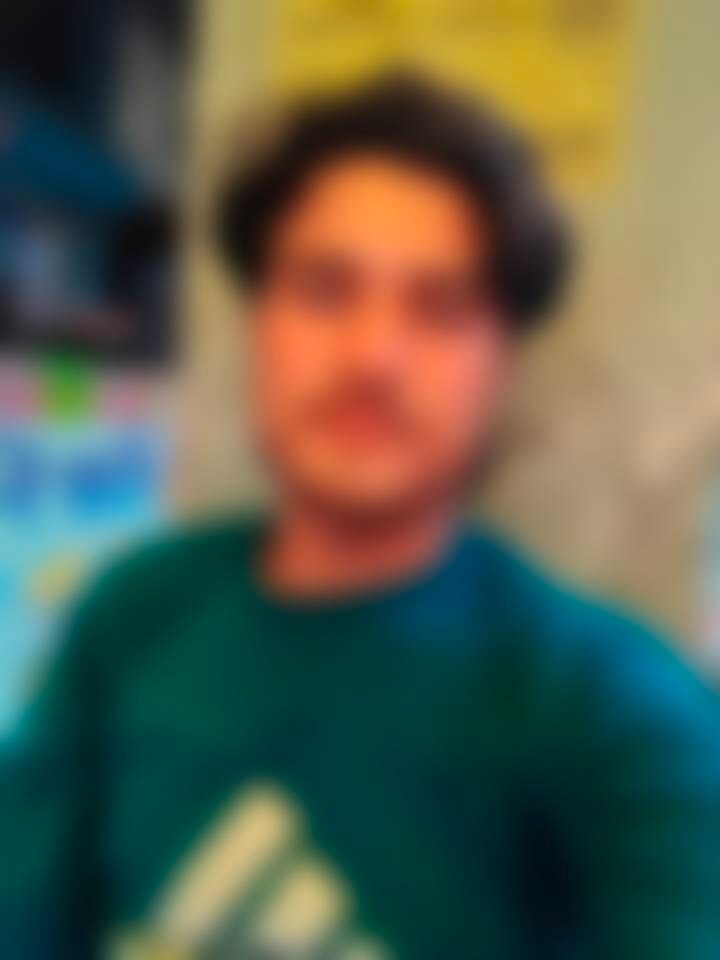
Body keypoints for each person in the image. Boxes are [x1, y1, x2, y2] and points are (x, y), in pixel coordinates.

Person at [2, 73, 719, 960]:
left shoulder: (618, 713)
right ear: (256, 321)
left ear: (502, 360)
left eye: (440, 306)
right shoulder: (135, 615)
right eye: (325, 288)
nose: (374, 355)